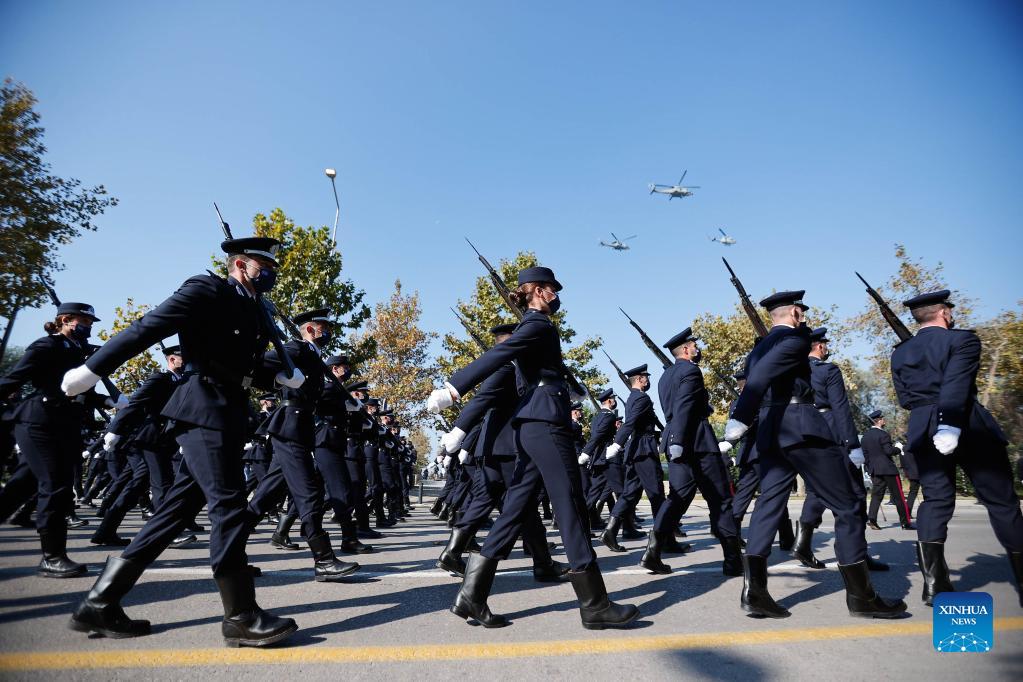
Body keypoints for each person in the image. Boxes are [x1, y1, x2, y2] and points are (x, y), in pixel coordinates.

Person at [65, 236, 299, 646]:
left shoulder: (253, 305)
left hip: (227, 409)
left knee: (175, 511)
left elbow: (238, 356)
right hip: (203, 406)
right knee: (227, 504)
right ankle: (240, 614)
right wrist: (92, 369)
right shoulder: (206, 288)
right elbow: (148, 327)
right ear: (240, 264)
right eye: (265, 266)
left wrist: (276, 373)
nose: (272, 273)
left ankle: (100, 603)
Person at [428, 266, 639, 630]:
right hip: (546, 426)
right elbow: (500, 354)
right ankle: (595, 604)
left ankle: (471, 595)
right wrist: (453, 388)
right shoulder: (537, 324)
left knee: (514, 510)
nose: (558, 295)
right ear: (539, 292)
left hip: (532, 426)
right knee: (571, 507)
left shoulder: (536, 326)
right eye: (553, 289)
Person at [725, 290, 906, 619]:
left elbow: (757, 375)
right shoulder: (796, 339)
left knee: (768, 506)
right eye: (802, 312)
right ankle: (861, 598)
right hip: (801, 428)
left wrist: (747, 415)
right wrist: (739, 416)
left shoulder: (758, 348)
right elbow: (761, 379)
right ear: (795, 313)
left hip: (771, 432)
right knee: (848, 505)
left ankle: (755, 592)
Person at [891, 290, 1023, 606]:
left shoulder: (900, 352)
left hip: (922, 425)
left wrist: (930, 411)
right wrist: (949, 421)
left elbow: (904, 399)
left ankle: (934, 585)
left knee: (936, 500)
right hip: (965, 422)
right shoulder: (962, 340)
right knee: (1001, 502)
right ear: (945, 313)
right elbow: (957, 384)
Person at [436, 323, 568, 582]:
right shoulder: (507, 368)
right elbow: (481, 400)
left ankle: (453, 552)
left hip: (494, 447)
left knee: (488, 500)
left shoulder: (514, 369)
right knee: (524, 502)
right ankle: (541, 563)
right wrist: (458, 432)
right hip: (505, 447)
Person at [0, 301, 117, 577]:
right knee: (55, 485)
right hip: (38, 420)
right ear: (65, 319)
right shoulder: (46, 346)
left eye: (89, 324)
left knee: (21, 485)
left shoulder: (78, 351)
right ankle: (52, 557)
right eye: (84, 322)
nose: (87, 328)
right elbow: (14, 378)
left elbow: (77, 389)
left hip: (63, 423)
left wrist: (105, 399)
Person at [244, 308, 359, 581]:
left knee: (265, 496)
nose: (327, 332)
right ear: (309, 330)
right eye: (323, 327)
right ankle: (324, 560)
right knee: (309, 494)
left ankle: (227, 550)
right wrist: (278, 380)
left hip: (300, 428)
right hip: (290, 426)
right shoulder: (295, 349)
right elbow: (257, 365)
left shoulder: (311, 354)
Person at [644, 328, 740, 575]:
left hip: (679, 441)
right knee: (720, 499)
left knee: (676, 498)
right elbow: (684, 406)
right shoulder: (691, 370)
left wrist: (675, 439)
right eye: (695, 345)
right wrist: (679, 439)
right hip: (696, 441)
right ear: (686, 350)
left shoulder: (665, 376)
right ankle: (732, 559)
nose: (698, 349)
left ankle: (652, 551)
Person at [793, 328, 889, 571]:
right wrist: (852, 444)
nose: (826, 347)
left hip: (805, 432)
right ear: (819, 346)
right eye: (824, 344)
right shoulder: (827, 369)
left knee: (817, 490)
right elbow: (840, 408)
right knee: (855, 493)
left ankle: (802, 543)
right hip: (833, 433)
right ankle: (857, 553)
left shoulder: (793, 369)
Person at [601, 365, 667, 553]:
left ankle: (610, 531)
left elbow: (647, 421)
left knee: (630, 493)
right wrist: (617, 444)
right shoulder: (641, 398)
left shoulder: (632, 397)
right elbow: (630, 423)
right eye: (646, 377)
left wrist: (663, 433)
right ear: (639, 379)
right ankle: (664, 538)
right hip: (643, 449)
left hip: (636, 449)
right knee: (656, 494)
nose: (648, 380)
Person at [862, 410, 913, 531]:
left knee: (876, 496)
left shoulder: (865, 437)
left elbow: (866, 456)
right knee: (899, 497)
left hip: (875, 470)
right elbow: (888, 451)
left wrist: (870, 469)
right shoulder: (883, 434)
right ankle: (905, 523)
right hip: (888, 469)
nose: (884, 420)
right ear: (878, 421)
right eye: (882, 418)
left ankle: (872, 519)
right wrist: (898, 448)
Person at [580, 389, 618, 530]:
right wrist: (585, 453)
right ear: (609, 401)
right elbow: (597, 437)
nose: (615, 401)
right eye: (613, 399)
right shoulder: (609, 417)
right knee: (621, 491)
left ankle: (586, 522)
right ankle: (624, 526)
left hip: (598, 458)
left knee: (594, 492)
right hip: (606, 458)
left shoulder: (597, 417)